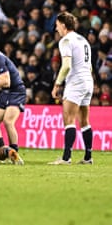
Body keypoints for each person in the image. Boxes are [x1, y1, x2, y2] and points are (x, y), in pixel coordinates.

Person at [49, 12, 94, 165]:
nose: (56, 29)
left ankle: (66, 158)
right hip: (88, 80)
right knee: (84, 121)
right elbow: (90, 66)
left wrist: (57, 84)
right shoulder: (83, 40)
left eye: (57, 25)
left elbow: (66, 65)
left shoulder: (66, 40)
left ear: (63, 25)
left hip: (76, 82)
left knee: (68, 120)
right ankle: (88, 157)